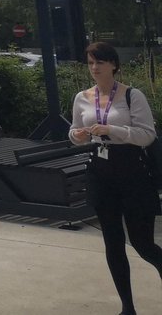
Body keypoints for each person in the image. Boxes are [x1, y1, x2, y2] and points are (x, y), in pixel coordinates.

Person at [69, 40, 162, 314]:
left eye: (100, 62)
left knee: (142, 243)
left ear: (114, 65)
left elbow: (147, 135)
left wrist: (113, 129)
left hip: (131, 170)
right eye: (90, 63)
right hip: (100, 169)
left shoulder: (133, 95)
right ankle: (127, 307)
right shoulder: (82, 97)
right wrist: (77, 135)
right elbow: (74, 132)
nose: (95, 68)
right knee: (112, 241)